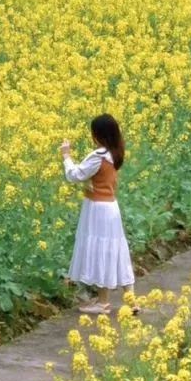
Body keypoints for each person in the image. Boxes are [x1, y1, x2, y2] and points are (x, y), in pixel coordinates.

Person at [60, 113, 136, 316]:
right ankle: (131, 300)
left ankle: (103, 303)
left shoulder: (98, 156)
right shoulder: (115, 153)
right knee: (116, 250)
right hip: (111, 207)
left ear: (98, 135)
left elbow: (74, 175)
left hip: (97, 210)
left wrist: (66, 156)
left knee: (101, 250)